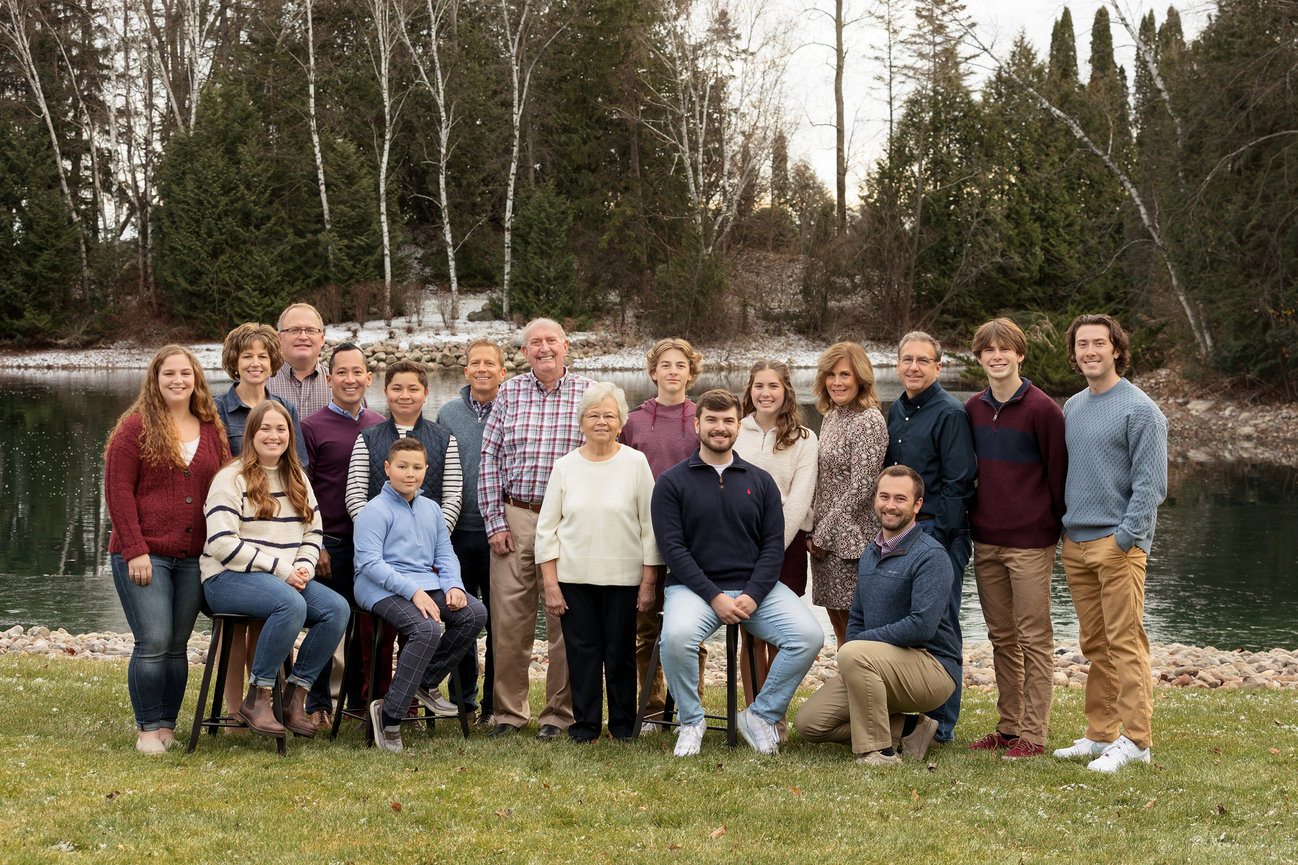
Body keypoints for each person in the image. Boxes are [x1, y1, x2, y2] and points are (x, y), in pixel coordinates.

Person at [650, 389, 824, 757]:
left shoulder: (760, 482)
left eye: (728, 420)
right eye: (711, 420)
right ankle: (692, 721)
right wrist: (714, 596)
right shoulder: (671, 482)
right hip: (693, 589)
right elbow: (673, 551)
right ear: (697, 424)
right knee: (677, 637)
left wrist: (754, 594)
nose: (720, 428)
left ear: (738, 427)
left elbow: (772, 547)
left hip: (755, 588)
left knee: (808, 636)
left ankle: (760, 715)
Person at [1054, 313, 1167, 773]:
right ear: (1075, 352)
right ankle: (1101, 734)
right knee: (1095, 643)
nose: (1090, 352)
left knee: (1125, 642)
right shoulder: (1073, 406)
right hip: (1076, 543)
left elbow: (1152, 485)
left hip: (1117, 545)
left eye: (1099, 343)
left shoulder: (1140, 409)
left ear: (1116, 349)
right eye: (1082, 345)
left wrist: (1125, 539)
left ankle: (1136, 739)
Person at [104, 345, 230, 754]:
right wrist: (135, 548)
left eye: (186, 374)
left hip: (195, 557)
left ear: (197, 380)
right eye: (169, 374)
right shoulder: (135, 427)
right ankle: (147, 729)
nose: (178, 381)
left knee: (178, 645)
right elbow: (117, 491)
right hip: (145, 553)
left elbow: (226, 487)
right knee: (153, 640)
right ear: (155, 381)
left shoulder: (210, 428)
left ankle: (167, 727)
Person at [200, 400, 348, 739]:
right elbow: (222, 544)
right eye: (265, 428)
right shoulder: (230, 478)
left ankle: (295, 697)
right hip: (227, 578)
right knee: (289, 604)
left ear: (290, 435)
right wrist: (282, 569)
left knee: (336, 609)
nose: (274, 435)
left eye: (281, 429)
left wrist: (304, 566)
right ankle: (258, 696)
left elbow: (313, 531)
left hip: (281, 578)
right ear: (251, 434)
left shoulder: (296, 478)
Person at [795, 466, 961, 766]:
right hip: (876, 665)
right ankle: (911, 728)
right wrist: (856, 651)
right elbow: (857, 616)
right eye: (884, 496)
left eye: (900, 498)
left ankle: (878, 752)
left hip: (932, 668)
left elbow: (922, 626)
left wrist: (856, 649)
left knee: (855, 652)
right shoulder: (871, 552)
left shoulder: (931, 556)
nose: (890, 505)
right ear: (875, 500)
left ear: (917, 505)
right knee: (811, 724)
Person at [478, 318, 593, 740]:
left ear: (566, 346)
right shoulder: (509, 393)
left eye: (551, 341)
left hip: (569, 520)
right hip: (517, 515)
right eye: (534, 343)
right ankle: (509, 713)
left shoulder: (588, 393)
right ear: (524, 353)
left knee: (566, 619)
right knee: (510, 620)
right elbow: (489, 459)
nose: (544, 348)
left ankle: (558, 715)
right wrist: (494, 521)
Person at [963, 318, 1067, 760]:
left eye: (1006, 349)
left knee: (1033, 638)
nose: (997, 356)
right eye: (989, 350)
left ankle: (1034, 733)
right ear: (980, 358)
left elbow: (1060, 478)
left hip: (1030, 542)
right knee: (1001, 637)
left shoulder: (1043, 410)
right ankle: (1008, 728)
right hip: (985, 539)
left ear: (1020, 355)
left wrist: (1051, 530)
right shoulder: (972, 409)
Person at [536, 383, 661, 743]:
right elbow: (547, 531)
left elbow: (649, 526)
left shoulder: (636, 463)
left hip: (624, 578)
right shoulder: (565, 467)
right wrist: (551, 584)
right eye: (594, 415)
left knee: (620, 654)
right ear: (581, 422)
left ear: (621, 422)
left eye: (609, 415)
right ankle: (585, 726)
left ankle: (623, 727)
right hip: (574, 578)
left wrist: (649, 581)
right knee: (582, 655)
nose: (601, 422)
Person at [353, 438, 488, 752]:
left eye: (416, 467)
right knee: (425, 628)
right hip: (378, 587)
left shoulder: (431, 509)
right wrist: (414, 592)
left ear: (426, 470)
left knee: (473, 613)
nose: (409, 473)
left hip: (425, 583)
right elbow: (370, 564)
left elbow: (444, 554)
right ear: (387, 469)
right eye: (402, 466)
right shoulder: (374, 511)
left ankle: (424, 681)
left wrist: (454, 585)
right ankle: (390, 719)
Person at [345, 358, 463, 714]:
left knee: (427, 628)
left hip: (425, 560)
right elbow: (355, 495)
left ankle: (410, 698)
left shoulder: (443, 438)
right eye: (397, 388)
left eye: (413, 388)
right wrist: (382, 532)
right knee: (375, 640)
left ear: (426, 394)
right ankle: (375, 701)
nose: (405, 395)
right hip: (380, 555)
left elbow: (453, 493)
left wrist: (424, 537)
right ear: (385, 392)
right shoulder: (368, 438)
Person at [213, 322, 309, 717]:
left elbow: (296, 470)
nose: (255, 363)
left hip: (279, 538)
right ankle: (235, 709)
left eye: (263, 356)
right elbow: (216, 474)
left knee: (268, 618)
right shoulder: (218, 410)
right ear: (233, 362)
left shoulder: (285, 409)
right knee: (235, 632)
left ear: (274, 362)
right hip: (236, 533)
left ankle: (263, 702)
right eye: (246, 355)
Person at [884, 331, 976, 744]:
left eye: (923, 360)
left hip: (939, 538)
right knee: (909, 625)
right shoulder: (895, 410)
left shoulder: (949, 413)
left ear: (938, 367)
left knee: (940, 627)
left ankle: (942, 726)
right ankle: (912, 717)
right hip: (901, 537)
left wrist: (937, 544)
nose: (914, 367)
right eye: (907, 360)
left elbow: (959, 484)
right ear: (898, 364)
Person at [619, 337, 707, 734]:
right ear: (653, 372)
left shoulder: (703, 417)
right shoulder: (634, 420)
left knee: (693, 627)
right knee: (646, 625)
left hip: (694, 536)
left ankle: (692, 708)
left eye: (681, 365)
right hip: (642, 535)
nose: (673, 372)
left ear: (691, 373)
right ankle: (653, 710)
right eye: (665, 365)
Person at [299, 343, 385, 730]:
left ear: (369, 378)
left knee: (363, 625)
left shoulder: (380, 425)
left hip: (373, 545)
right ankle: (317, 703)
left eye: (358, 372)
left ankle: (355, 702)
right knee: (328, 623)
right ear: (329, 379)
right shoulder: (310, 427)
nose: (350, 379)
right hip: (330, 542)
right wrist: (314, 543)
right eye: (342, 373)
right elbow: (303, 491)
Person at [734, 359, 818, 741]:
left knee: (781, 633)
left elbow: (800, 499)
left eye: (773, 386)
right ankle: (756, 714)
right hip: (737, 547)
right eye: (758, 386)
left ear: (786, 391)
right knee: (751, 634)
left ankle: (772, 716)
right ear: (749, 390)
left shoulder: (804, 438)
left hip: (784, 547)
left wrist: (769, 551)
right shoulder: (735, 432)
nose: (765, 393)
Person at [436, 338, 509, 729]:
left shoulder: (513, 408)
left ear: (502, 371)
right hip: (455, 534)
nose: (482, 369)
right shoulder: (447, 413)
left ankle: (494, 706)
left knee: (500, 622)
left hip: (500, 532)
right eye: (475, 363)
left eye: (490, 363)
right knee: (460, 617)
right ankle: (461, 702)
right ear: (465, 371)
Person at [807, 342, 888, 650]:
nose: (837, 382)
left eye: (845, 375)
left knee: (857, 629)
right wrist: (812, 528)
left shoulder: (869, 420)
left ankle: (860, 690)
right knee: (839, 628)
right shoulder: (832, 416)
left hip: (851, 541)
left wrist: (824, 533)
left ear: (860, 379)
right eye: (831, 374)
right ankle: (846, 690)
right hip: (824, 541)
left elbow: (863, 487)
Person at [269, 302, 332, 418]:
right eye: (294, 330)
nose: (303, 337)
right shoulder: (262, 383)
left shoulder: (338, 384)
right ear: (279, 339)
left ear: (321, 339)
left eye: (311, 330)